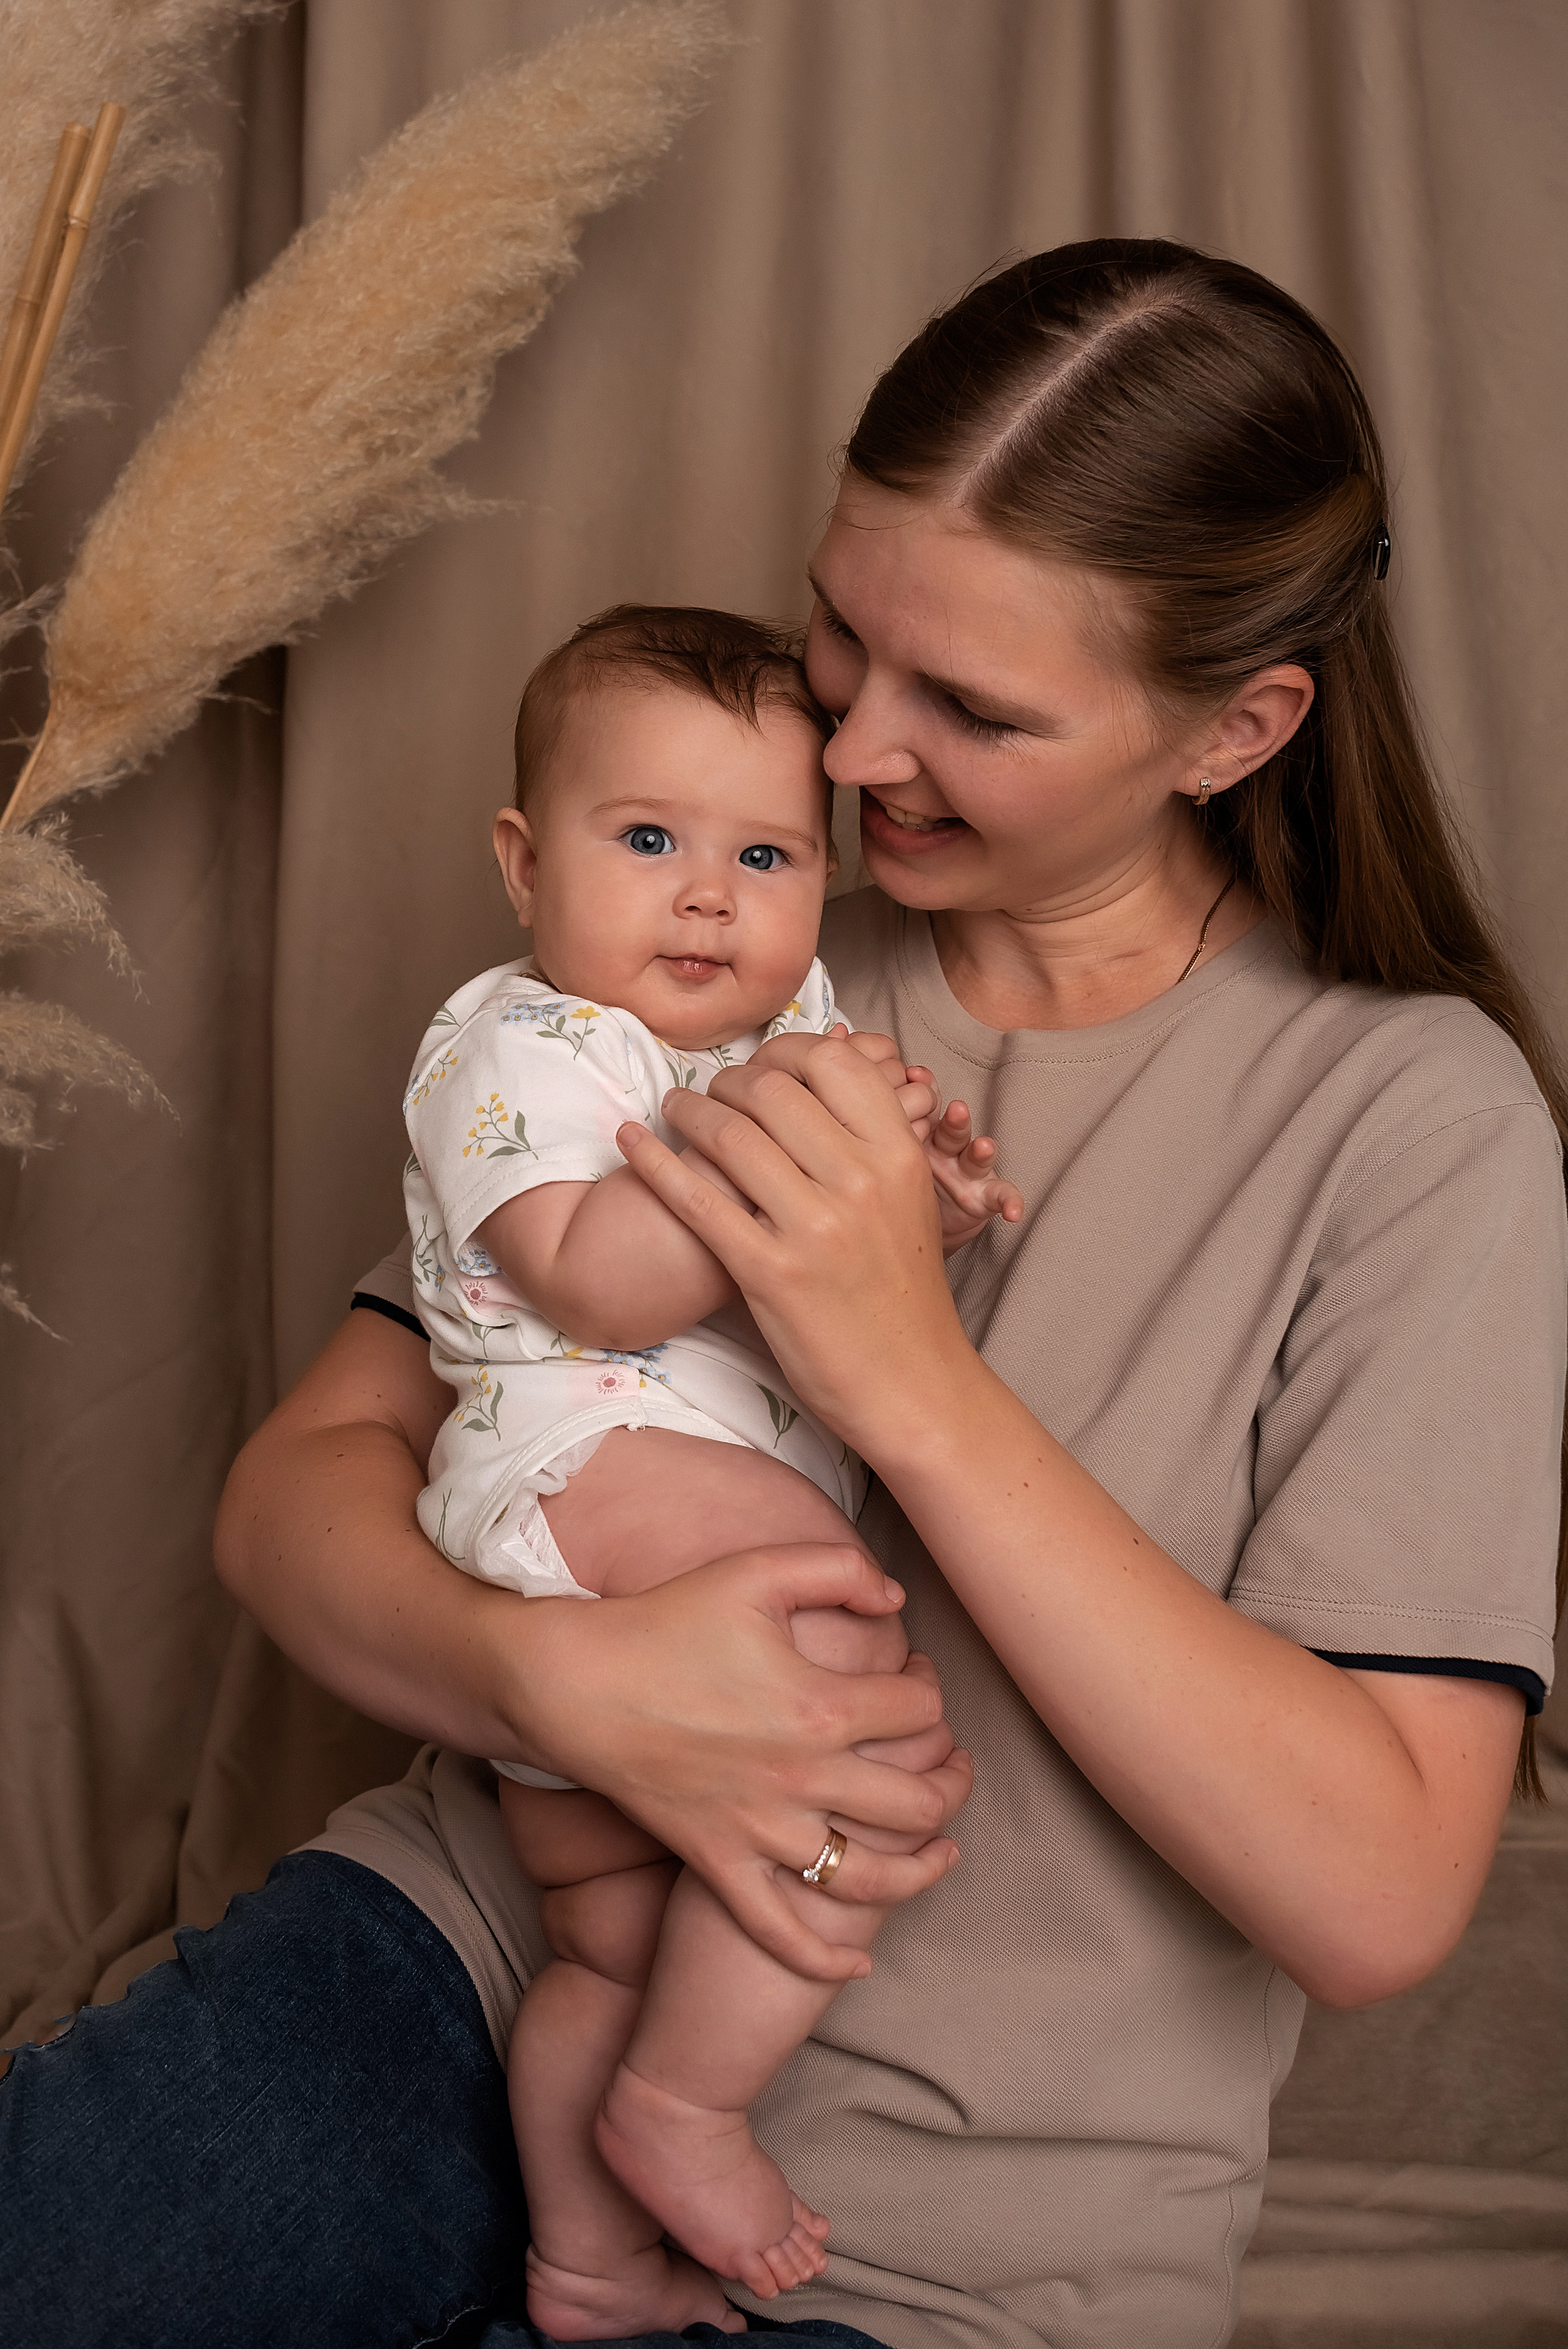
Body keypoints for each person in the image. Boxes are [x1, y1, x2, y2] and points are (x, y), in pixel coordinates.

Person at [1, 238, 1560, 2349]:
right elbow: (302, 1494)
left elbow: (1378, 1894)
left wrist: (912, 1378)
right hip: (473, 1953)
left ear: (1238, 728)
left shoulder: (1412, 1117)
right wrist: (546, 1685)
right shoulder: (714, 923)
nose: (848, 747)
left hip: (957, 2239)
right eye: (846, 632)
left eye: (976, 710)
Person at [404, 603, 1018, 2335]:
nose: (707, 895)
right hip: (580, 1465)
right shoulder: (523, 1046)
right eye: (649, 839)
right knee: (852, 1676)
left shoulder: (775, 1039)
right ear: (527, 865)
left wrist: (923, 1198)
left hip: (615, 1570)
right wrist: (804, 1167)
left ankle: (590, 2263)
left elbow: (857, 1281)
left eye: (764, 854)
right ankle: (690, 2100)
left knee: (610, 1939)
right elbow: (596, 1277)